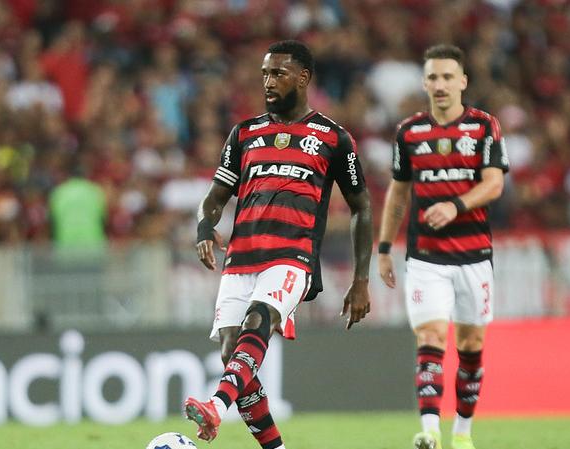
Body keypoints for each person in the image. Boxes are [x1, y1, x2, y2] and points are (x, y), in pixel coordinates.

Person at [184, 40, 373, 449]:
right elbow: (215, 197)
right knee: (232, 355)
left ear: (303, 78)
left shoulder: (333, 138)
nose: (268, 82)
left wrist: (361, 279)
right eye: (265, 74)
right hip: (240, 257)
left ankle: (216, 405)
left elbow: (361, 206)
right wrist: (204, 227)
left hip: (292, 256)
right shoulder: (244, 133)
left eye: (278, 73)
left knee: (260, 318)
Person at [377, 44, 509, 449]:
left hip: (473, 255)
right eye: (433, 77)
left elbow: (494, 184)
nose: (440, 84)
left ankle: (463, 433)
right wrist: (384, 247)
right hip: (426, 258)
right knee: (431, 338)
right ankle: (430, 430)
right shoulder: (409, 132)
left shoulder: (484, 127)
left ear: (462, 81)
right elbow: (398, 194)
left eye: (448, 76)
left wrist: (455, 205)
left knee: (470, 346)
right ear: (424, 83)